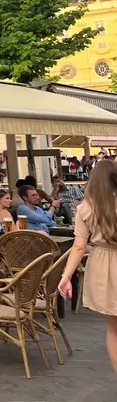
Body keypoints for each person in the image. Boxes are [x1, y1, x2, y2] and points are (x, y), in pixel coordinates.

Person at [58, 159, 117, 371]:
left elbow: (79, 247)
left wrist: (66, 276)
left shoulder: (85, 208)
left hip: (102, 265)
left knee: (113, 329)